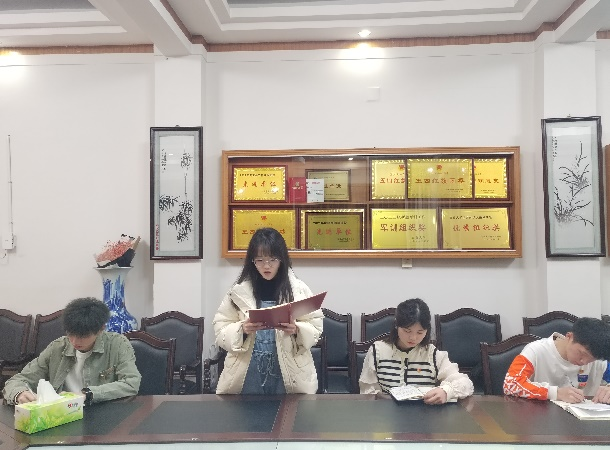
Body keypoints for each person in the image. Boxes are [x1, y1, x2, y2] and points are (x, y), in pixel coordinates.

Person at [213, 227, 323, 394]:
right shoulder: (238, 292)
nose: (266, 265)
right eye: (259, 260)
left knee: (289, 410)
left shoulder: (298, 290)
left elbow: (315, 326)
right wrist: (242, 329)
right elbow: (220, 328)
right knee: (246, 410)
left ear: (282, 260)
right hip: (247, 371)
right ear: (252, 261)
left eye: (272, 259)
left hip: (289, 370)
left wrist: (296, 330)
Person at [3, 297, 141, 405]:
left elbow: (131, 383)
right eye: (70, 334)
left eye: (83, 336)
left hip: (102, 413)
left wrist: (88, 394)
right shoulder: (57, 347)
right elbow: (18, 380)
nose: (75, 341)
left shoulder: (118, 344)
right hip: (63, 416)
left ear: (101, 329)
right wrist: (19, 393)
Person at [359, 298, 474, 404]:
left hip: (424, 413)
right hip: (387, 412)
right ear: (396, 325)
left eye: (420, 332)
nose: (413, 338)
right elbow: (368, 391)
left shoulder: (432, 354)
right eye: (407, 331)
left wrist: (446, 391)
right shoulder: (378, 350)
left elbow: (465, 383)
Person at [503, 317, 610, 403]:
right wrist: (555, 393)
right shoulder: (535, 351)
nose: (584, 362)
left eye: (591, 360)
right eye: (582, 354)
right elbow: (511, 384)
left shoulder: (600, 359)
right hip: (540, 417)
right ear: (569, 337)